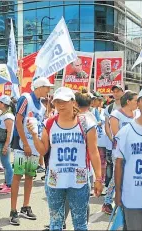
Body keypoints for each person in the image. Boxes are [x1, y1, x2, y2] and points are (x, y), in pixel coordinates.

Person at [28, 87, 103, 231]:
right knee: (55, 223)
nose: (60, 105)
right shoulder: (49, 123)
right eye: (57, 102)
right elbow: (43, 150)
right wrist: (33, 135)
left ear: (73, 102)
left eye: (64, 101)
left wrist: (98, 179)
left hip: (79, 179)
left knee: (80, 224)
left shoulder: (86, 123)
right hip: (55, 179)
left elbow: (94, 153)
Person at [10, 77, 52, 225]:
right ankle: (13, 210)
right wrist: (26, 144)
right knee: (18, 175)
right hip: (22, 144)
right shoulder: (25, 98)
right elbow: (18, 121)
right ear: (39, 87)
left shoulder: (41, 106)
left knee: (29, 176)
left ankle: (25, 206)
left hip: (33, 146)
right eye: (47, 87)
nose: (48, 90)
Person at [103, 90, 138, 214]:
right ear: (128, 101)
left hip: (135, 152)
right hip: (119, 152)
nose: (138, 102)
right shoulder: (116, 114)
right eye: (135, 100)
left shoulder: (137, 114)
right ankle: (107, 201)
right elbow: (116, 134)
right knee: (116, 176)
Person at [114, 89, 142, 230]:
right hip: (132, 195)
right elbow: (119, 164)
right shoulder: (126, 131)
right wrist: (118, 191)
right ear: (138, 103)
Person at [103, 85, 123, 199]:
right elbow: (107, 126)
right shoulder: (109, 108)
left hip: (127, 147)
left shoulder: (128, 107)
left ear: (122, 92)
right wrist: (113, 140)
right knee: (115, 172)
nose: (116, 94)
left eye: (118, 91)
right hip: (114, 146)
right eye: (114, 92)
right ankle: (108, 200)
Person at [0, 95, 15, 195]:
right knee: (5, 164)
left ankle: (10, 185)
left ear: (3, 104)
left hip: (4, 143)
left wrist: (6, 146)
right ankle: (6, 183)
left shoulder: (8, 116)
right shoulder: (4, 114)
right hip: (1, 143)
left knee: (7, 164)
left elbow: (9, 132)